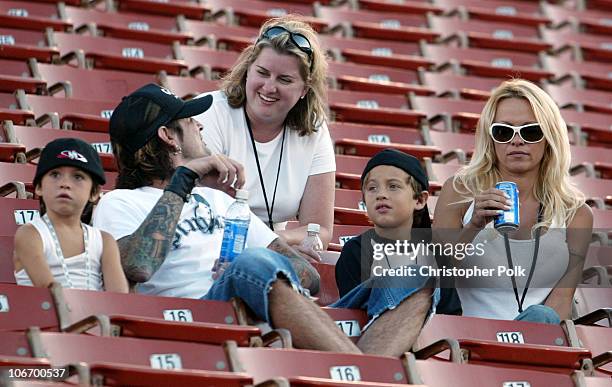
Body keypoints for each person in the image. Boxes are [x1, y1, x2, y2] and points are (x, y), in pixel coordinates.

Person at [433, 79, 593, 324]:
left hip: (535, 340)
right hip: (468, 338)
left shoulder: (576, 214)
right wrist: (473, 227)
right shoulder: (460, 191)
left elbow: (560, 302)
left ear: (549, 137)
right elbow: (434, 276)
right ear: (491, 138)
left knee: (542, 315)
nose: (516, 141)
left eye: (531, 131)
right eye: (503, 131)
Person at [194, 15, 335, 248]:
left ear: (304, 89)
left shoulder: (315, 131)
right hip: (210, 244)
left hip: (273, 251)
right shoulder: (210, 112)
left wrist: (279, 239)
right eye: (262, 72)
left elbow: (320, 230)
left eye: (285, 79)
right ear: (248, 70)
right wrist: (270, 240)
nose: (269, 87)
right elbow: (205, 212)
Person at [333, 149, 440, 356]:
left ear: (420, 200)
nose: (381, 194)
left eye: (393, 186)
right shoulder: (356, 251)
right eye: (372, 188)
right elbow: (354, 316)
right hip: (367, 340)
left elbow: (447, 318)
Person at [14, 138, 128, 293]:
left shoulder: (105, 242)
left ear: (94, 193)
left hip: (97, 316)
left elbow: (120, 300)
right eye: (55, 174)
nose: (65, 183)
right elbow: (51, 294)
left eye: (78, 177)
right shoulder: (30, 234)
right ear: (39, 187)